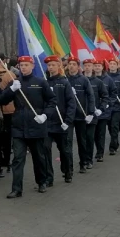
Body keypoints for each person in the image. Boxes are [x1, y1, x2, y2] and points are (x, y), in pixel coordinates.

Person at [0, 56, 56, 198]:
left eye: (26, 65)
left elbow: (52, 101)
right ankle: (16, 188)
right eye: (21, 65)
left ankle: (42, 181)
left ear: (32, 66)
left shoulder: (41, 82)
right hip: (19, 127)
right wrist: (11, 89)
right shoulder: (15, 82)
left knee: (39, 157)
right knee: (18, 159)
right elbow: (2, 100)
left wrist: (45, 115)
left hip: (36, 126)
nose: (23, 67)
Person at [45, 55, 77, 185]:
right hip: (48, 123)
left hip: (62, 123)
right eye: (49, 65)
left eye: (53, 65)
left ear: (59, 66)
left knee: (65, 150)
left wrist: (67, 121)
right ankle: (48, 177)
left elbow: (71, 103)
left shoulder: (64, 82)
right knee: (45, 149)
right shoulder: (44, 82)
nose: (51, 67)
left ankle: (67, 171)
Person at [65, 55, 95, 175]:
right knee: (67, 142)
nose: (71, 66)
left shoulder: (83, 80)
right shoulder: (65, 79)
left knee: (82, 141)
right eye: (69, 64)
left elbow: (90, 96)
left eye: (73, 64)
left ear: (78, 67)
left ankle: (83, 163)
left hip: (81, 115)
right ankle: (69, 167)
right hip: (68, 116)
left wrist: (90, 112)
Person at [83, 59, 108, 168]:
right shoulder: (79, 80)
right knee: (82, 139)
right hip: (80, 115)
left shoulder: (98, 82)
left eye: (89, 65)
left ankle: (89, 160)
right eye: (85, 65)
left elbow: (105, 97)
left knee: (90, 137)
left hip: (93, 114)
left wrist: (101, 109)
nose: (87, 67)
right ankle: (83, 160)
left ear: (92, 67)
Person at [94, 60, 116, 162]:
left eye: (99, 66)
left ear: (102, 68)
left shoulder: (108, 79)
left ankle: (100, 153)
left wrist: (108, 103)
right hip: (92, 112)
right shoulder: (89, 80)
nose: (97, 67)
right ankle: (97, 150)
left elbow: (113, 93)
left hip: (104, 111)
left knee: (101, 133)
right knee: (94, 134)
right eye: (95, 66)